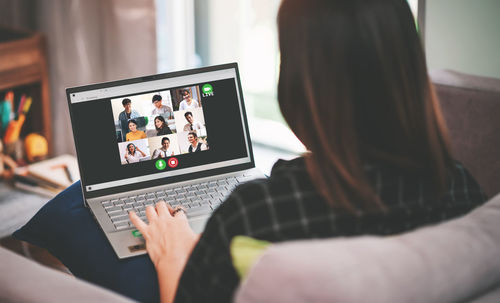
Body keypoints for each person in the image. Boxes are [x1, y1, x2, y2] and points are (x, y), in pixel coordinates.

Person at [126, 1, 487, 303]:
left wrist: (172, 255)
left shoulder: (256, 214)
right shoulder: (461, 189)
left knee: (78, 210)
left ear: (301, 80)